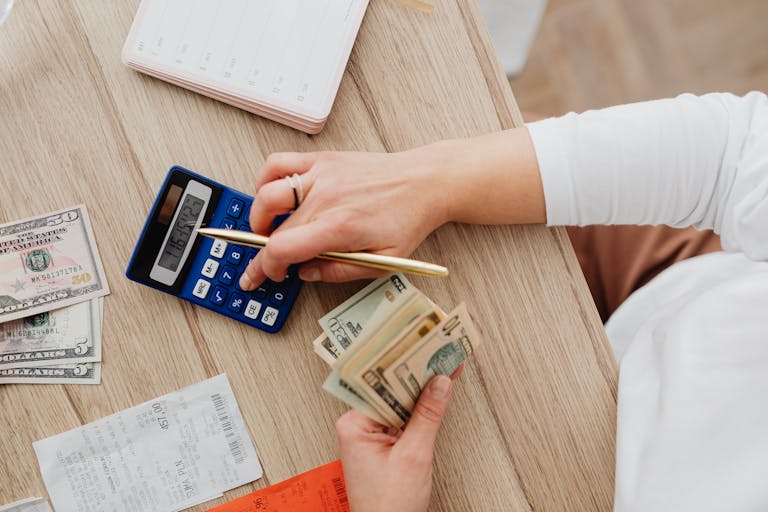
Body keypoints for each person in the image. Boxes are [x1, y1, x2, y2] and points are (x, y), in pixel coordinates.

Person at [240, 91, 768, 511]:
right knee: (458, 119)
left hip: (584, 475)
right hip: (683, 286)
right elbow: (734, 154)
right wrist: (427, 182)